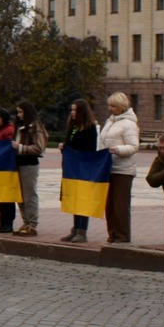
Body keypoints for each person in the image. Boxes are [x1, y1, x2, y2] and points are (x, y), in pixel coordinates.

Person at [97, 93, 140, 243]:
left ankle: (122, 235)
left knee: (120, 206)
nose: (110, 108)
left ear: (121, 106)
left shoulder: (129, 124)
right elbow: (102, 143)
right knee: (109, 205)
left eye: (113, 106)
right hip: (108, 168)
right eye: (109, 105)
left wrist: (118, 150)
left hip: (123, 170)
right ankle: (112, 234)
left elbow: (134, 146)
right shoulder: (110, 122)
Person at [60, 98, 99, 243]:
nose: (72, 112)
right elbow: (70, 143)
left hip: (83, 168)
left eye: (75, 110)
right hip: (72, 168)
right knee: (74, 199)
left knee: (83, 199)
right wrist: (64, 147)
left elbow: (90, 149)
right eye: (72, 110)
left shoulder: (90, 128)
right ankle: (75, 228)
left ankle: (82, 230)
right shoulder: (73, 126)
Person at [12, 101, 46, 236]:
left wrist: (19, 147)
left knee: (29, 194)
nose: (19, 115)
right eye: (17, 112)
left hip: (29, 164)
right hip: (18, 163)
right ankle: (25, 222)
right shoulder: (19, 126)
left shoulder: (35, 126)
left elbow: (39, 147)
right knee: (20, 196)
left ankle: (32, 223)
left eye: (21, 112)